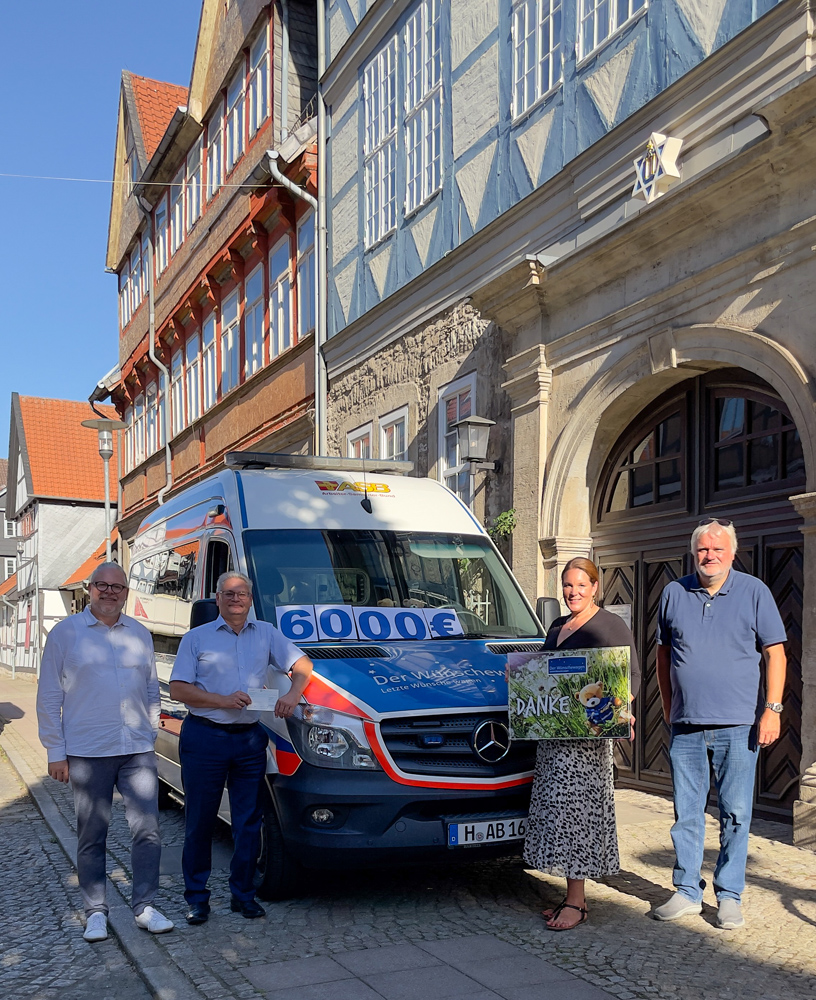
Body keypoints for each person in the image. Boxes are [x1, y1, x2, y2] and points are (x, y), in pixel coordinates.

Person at [653, 518, 786, 929]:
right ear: (694, 553)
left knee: (736, 813)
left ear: (732, 552)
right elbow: (663, 655)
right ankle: (688, 891)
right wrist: (669, 704)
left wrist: (773, 709)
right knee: (686, 813)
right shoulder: (674, 592)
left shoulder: (754, 592)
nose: (709, 556)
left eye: (717, 549)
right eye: (703, 550)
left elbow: (776, 653)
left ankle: (729, 895)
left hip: (738, 725)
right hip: (686, 726)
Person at [37, 562, 173, 942]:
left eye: (118, 587)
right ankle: (96, 910)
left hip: (136, 749)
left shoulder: (140, 634)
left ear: (126, 593)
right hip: (87, 750)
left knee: (148, 828)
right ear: (90, 589)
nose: (110, 592)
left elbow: (149, 688)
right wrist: (55, 751)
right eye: (102, 585)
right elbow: (49, 695)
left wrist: (150, 726)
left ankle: (145, 906)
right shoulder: (66, 634)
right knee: (92, 833)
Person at [169, 571, 313, 925]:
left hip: (249, 739)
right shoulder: (196, 638)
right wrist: (222, 700)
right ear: (217, 599)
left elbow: (303, 665)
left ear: (250, 599)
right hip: (205, 737)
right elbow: (178, 689)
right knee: (199, 821)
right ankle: (198, 899)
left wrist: (293, 695)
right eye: (229, 593)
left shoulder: (266, 632)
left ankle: (243, 895)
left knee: (248, 822)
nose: (236, 599)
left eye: (243, 594)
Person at [523, 557, 640, 931]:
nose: (573, 592)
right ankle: (571, 896)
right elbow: (543, 671)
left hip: (586, 743)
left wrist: (624, 713)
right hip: (556, 740)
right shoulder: (557, 626)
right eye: (567, 586)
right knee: (558, 814)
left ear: (595, 587)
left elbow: (630, 674)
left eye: (580, 585)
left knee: (578, 816)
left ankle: (576, 902)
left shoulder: (610, 624)